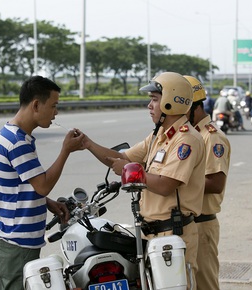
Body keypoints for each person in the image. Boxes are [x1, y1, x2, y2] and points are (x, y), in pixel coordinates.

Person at [80, 72, 205, 290]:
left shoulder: (186, 140)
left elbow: (166, 185)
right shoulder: (159, 136)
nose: (149, 105)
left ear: (170, 102)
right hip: (152, 233)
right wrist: (88, 144)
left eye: (155, 99)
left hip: (173, 234)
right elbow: (121, 158)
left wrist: (129, 172)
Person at [0, 75, 85, 290]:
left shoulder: (15, 134)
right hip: (16, 240)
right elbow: (42, 185)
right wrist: (65, 150)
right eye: (53, 106)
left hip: (17, 238)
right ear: (35, 105)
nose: (56, 113)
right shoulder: (17, 142)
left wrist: (47, 202)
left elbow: (21, 186)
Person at [184, 76, 231, 290]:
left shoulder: (211, 138)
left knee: (205, 285)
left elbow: (216, 183)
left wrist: (174, 183)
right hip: (186, 225)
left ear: (193, 107)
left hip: (202, 225)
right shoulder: (188, 135)